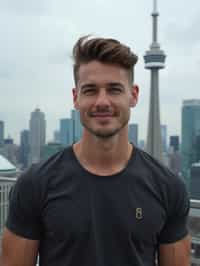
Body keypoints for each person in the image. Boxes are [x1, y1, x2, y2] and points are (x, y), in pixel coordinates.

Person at [1, 36, 191, 266]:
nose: (102, 101)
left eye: (114, 89)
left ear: (133, 95)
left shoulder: (168, 188)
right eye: (90, 90)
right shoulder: (35, 184)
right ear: (75, 97)